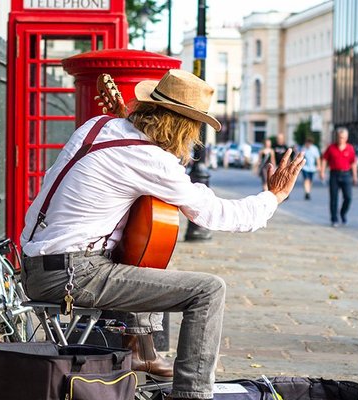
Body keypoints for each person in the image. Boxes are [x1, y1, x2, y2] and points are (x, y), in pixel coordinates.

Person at [20, 69, 305, 400]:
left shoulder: (96, 125)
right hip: (72, 274)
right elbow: (216, 214)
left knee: (143, 250)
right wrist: (273, 197)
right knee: (209, 290)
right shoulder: (151, 161)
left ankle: (142, 351)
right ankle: (191, 395)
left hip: (34, 263)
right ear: (185, 128)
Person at [319, 127, 357, 226]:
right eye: (340, 137)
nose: (341, 139)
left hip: (346, 174)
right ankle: (334, 219)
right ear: (337, 137)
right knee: (333, 198)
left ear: (347, 138)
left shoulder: (350, 148)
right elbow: (324, 159)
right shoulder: (331, 148)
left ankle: (343, 213)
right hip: (334, 174)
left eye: (343, 138)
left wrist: (355, 176)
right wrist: (322, 172)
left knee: (348, 197)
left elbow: (353, 163)